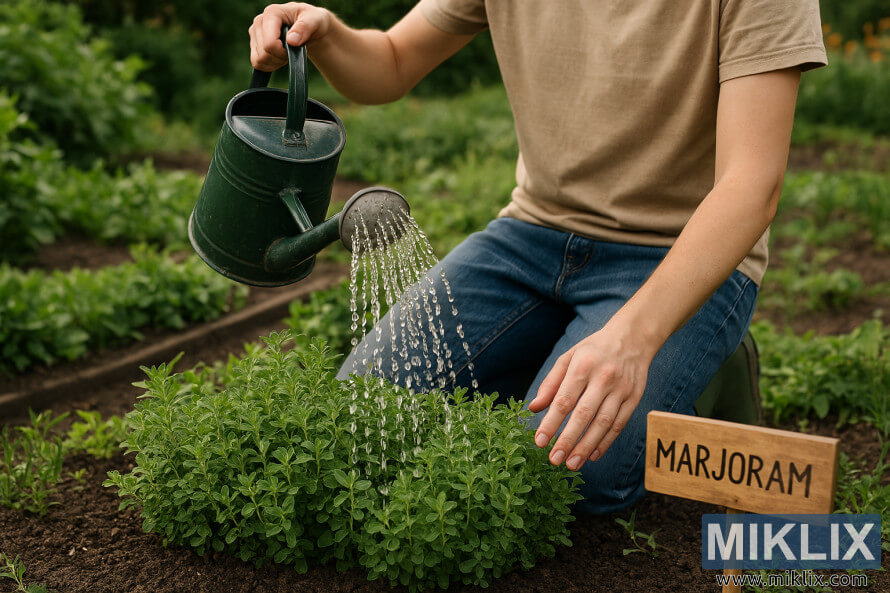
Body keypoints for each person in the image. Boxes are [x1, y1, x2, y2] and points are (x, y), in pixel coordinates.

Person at [249, 1, 827, 514]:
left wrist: (631, 341)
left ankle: (695, 365)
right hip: (530, 237)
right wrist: (324, 35)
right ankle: (563, 357)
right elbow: (393, 62)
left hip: (677, 256)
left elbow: (751, 185)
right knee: (364, 413)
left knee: (568, 475)